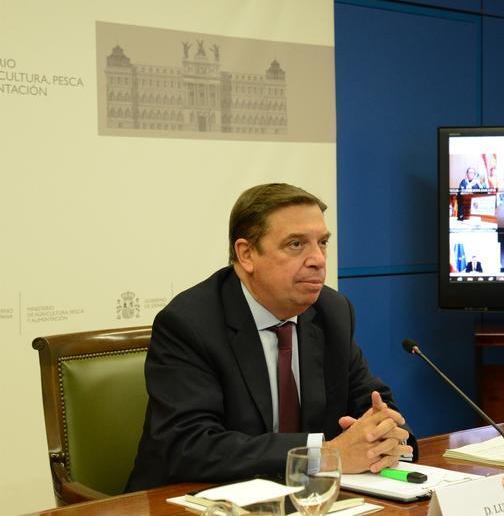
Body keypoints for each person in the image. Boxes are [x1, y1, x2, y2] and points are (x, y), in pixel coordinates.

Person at [126, 184, 415, 492]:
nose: (318, 259)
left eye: (322, 242)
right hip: (193, 501)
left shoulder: (332, 312)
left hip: (303, 498)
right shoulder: (190, 323)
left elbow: (372, 403)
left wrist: (387, 438)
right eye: (296, 244)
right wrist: (323, 455)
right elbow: (190, 445)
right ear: (246, 254)